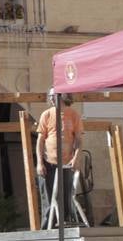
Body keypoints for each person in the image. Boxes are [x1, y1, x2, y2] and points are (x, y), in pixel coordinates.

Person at [37, 90, 87, 226]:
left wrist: (76, 158)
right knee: (47, 197)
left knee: (66, 195)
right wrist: (39, 162)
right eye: (50, 96)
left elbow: (78, 139)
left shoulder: (73, 115)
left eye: (54, 96)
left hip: (67, 163)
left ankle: (65, 224)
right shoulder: (46, 115)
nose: (52, 99)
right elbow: (40, 140)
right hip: (49, 162)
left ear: (63, 96)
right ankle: (48, 228)